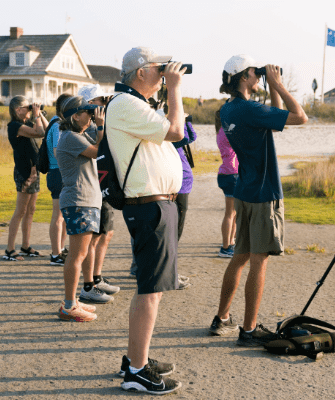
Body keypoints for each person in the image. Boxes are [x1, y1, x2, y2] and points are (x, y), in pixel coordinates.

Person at [208, 55, 308, 343]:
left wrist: (271, 88)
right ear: (244, 77)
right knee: (258, 262)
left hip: (244, 191)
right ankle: (250, 329)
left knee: (239, 257)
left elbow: (275, 122)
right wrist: (278, 83)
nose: (257, 75)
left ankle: (222, 317)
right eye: (255, 72)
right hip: (264, 193)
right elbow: (299, 116)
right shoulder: (250, 109)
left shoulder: (230, 111)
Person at [108, 47, 186, 395]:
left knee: (152, 288)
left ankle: (136, 358)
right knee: (150, 290)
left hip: (156, 204)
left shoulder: (135, 104)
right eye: (160, 69)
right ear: (141, 72)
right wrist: (175, 88)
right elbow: (176, 131)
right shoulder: (125, 104)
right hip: (149, 206)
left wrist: (167, 87)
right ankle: (136, 371)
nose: (166, 73)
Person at [56, 96, 110, 322]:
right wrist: (101, 126)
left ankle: (74, 301)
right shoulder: (69, 137)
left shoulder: (77, 135)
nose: (91, 115)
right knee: (77, 255)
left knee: (81, 253)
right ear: (74, 116)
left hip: (85, 201)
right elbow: (99, 151)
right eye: (87, 112)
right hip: (79, 201)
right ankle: (69, 306)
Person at [77, 84, 120, 298]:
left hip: (104, 184)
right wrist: (101, 126)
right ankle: (90, 283)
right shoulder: (87, 127)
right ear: (90, 104)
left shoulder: (98, 123)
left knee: (106, 234)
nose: (105, 104)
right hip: (94, 187)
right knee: (94, 238)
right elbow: (97, 150)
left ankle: (97, 277)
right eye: (100, 101)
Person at [3, 96, 49, 261]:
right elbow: (39, 133)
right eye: (27, 107)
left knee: (31, 210)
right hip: (24, 173)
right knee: (21, 211)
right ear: (17, 110)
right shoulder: (15, 126)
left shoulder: (26, 123)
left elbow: (47, 129)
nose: (30, 109)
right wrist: (35, 115)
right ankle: (9, 249)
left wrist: (39, 113)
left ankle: (25, 245)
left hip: (34, 171)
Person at [45, 93, 72, 266]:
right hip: (57, 172)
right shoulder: (57, 126)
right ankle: (55, 254)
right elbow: (57, 152)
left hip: (58, 172)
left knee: (62, 216)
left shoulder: (55, 123)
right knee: (58, 216)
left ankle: (60, 250)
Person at [215, 107, 238, 258]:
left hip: (229, 173)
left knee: (235, 213)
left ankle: (230, 243)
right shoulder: (228, 130)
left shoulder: (221, 131)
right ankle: (225, 248)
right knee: (230, 213)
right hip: (231, 175)